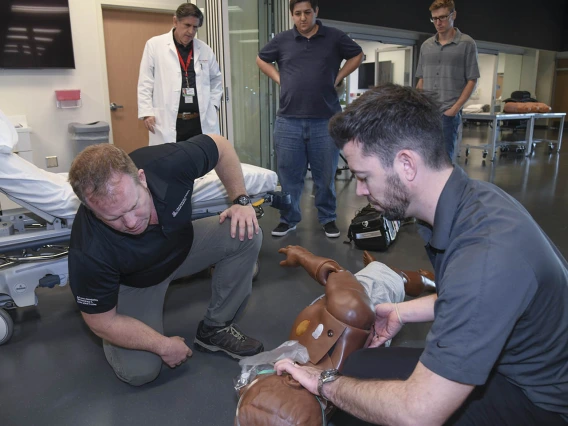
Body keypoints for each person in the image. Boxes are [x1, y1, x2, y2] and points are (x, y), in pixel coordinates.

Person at [274, 84, 568, 425]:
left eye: (364, 176)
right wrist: (401, 311)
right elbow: (476, 299)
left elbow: (417, 414)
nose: (360, 190)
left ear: (406, 165)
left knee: (352, 402)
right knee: (359, 367)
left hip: (538, 403)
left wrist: (323, 383)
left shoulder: (486, 257)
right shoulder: (470, 200)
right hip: (512, 359)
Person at [67, 134, 264, 386]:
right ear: (93, 210)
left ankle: (215, 328)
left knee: (246, 231)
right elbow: (101, 322)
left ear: (141, 178)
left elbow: (221, 146)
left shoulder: (167, 164)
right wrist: (163, 345)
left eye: (133, 206)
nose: (130, 223)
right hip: (136, 283)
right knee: (140, 373)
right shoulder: (88, 248)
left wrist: (241, 201)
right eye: (113, 218)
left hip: (182, 249)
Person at [256, 0, 363, 238]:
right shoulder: (283, 40)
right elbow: (261, 59)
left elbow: (358, 55)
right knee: (289, 177)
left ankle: (328, 218)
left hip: (325, 121)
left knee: (324, 176)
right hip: (288, 121)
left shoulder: (334, 37)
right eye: (297, 14)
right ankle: (288, 219)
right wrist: (279, 78)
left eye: (307, 12)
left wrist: (338, 77)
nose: (302, 18)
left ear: (316, 12)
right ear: (291, 15)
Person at [138, 3, 223, 145]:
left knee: (201, 161)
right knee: (171, 162)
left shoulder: (204, 49)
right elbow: (146, 81)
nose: (191, 31)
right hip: (170, 121)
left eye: (195, 27)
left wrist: (213, 106)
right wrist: (147, 112)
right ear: (175, 21)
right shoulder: (155, 45)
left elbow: (216, 79)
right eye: (187, 25)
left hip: (199, 121)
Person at [416, 0, 479, 163]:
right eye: (434, 18)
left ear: (454, 15)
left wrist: (454, 109)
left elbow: (472, 80)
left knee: (444, 162)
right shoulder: (426, 46)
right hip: (427, 112)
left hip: (447, 114)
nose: (438, 22)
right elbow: (421, 79)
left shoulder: (467, 43)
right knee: (424, 160)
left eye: (443, 17)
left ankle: (445, 189)